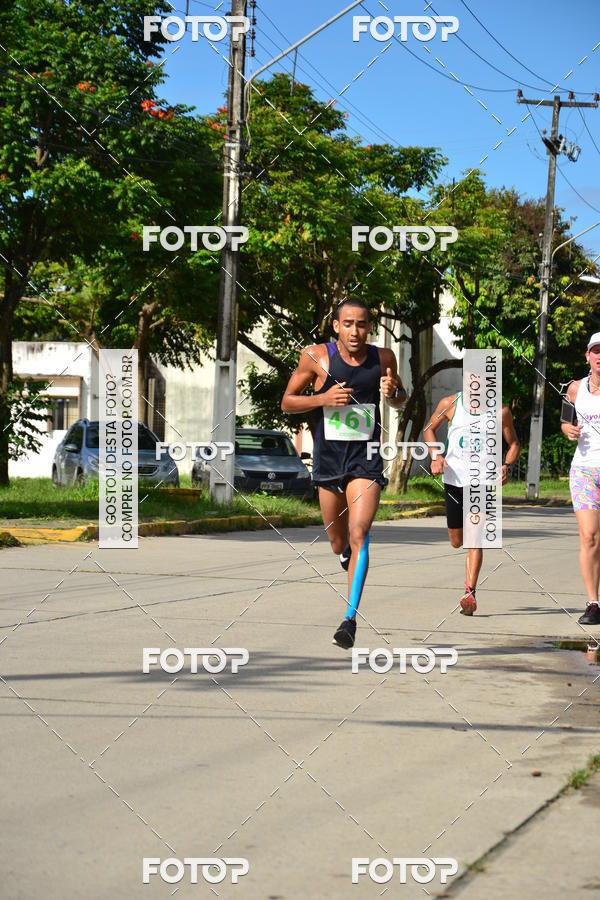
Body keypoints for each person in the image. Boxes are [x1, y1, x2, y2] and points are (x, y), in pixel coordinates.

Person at [281, 298, 406, 648]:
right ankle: (346, 557)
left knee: (359, 531)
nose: (355, 331)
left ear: (370, 327)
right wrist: (322, 399)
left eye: (362, 324)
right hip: (329, 460)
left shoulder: (383, 359)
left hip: (365, 459)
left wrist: (394, 391)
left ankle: (349, 620)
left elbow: (400, 398)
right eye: (348, 324)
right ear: (336, 326)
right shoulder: (316, 357)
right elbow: (287, 401)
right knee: (339, 541)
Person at [423, 389, 520, 615]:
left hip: (483, 482)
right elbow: (428, 429)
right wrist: (436, 456)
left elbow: (514, 443)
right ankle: (469, 586)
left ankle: (470, 592)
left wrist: (506, 466)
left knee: (474, 538)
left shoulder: (500, 412)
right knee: (457, 541)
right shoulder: (450, 404)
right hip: (454, 480)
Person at [562, 332, 600, 625]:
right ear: (587, 356)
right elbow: (565, 420)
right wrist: (567, 429)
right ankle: (593, 603)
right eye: (596, 352)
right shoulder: (574, 389)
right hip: (585, 469)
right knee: (589, 537)